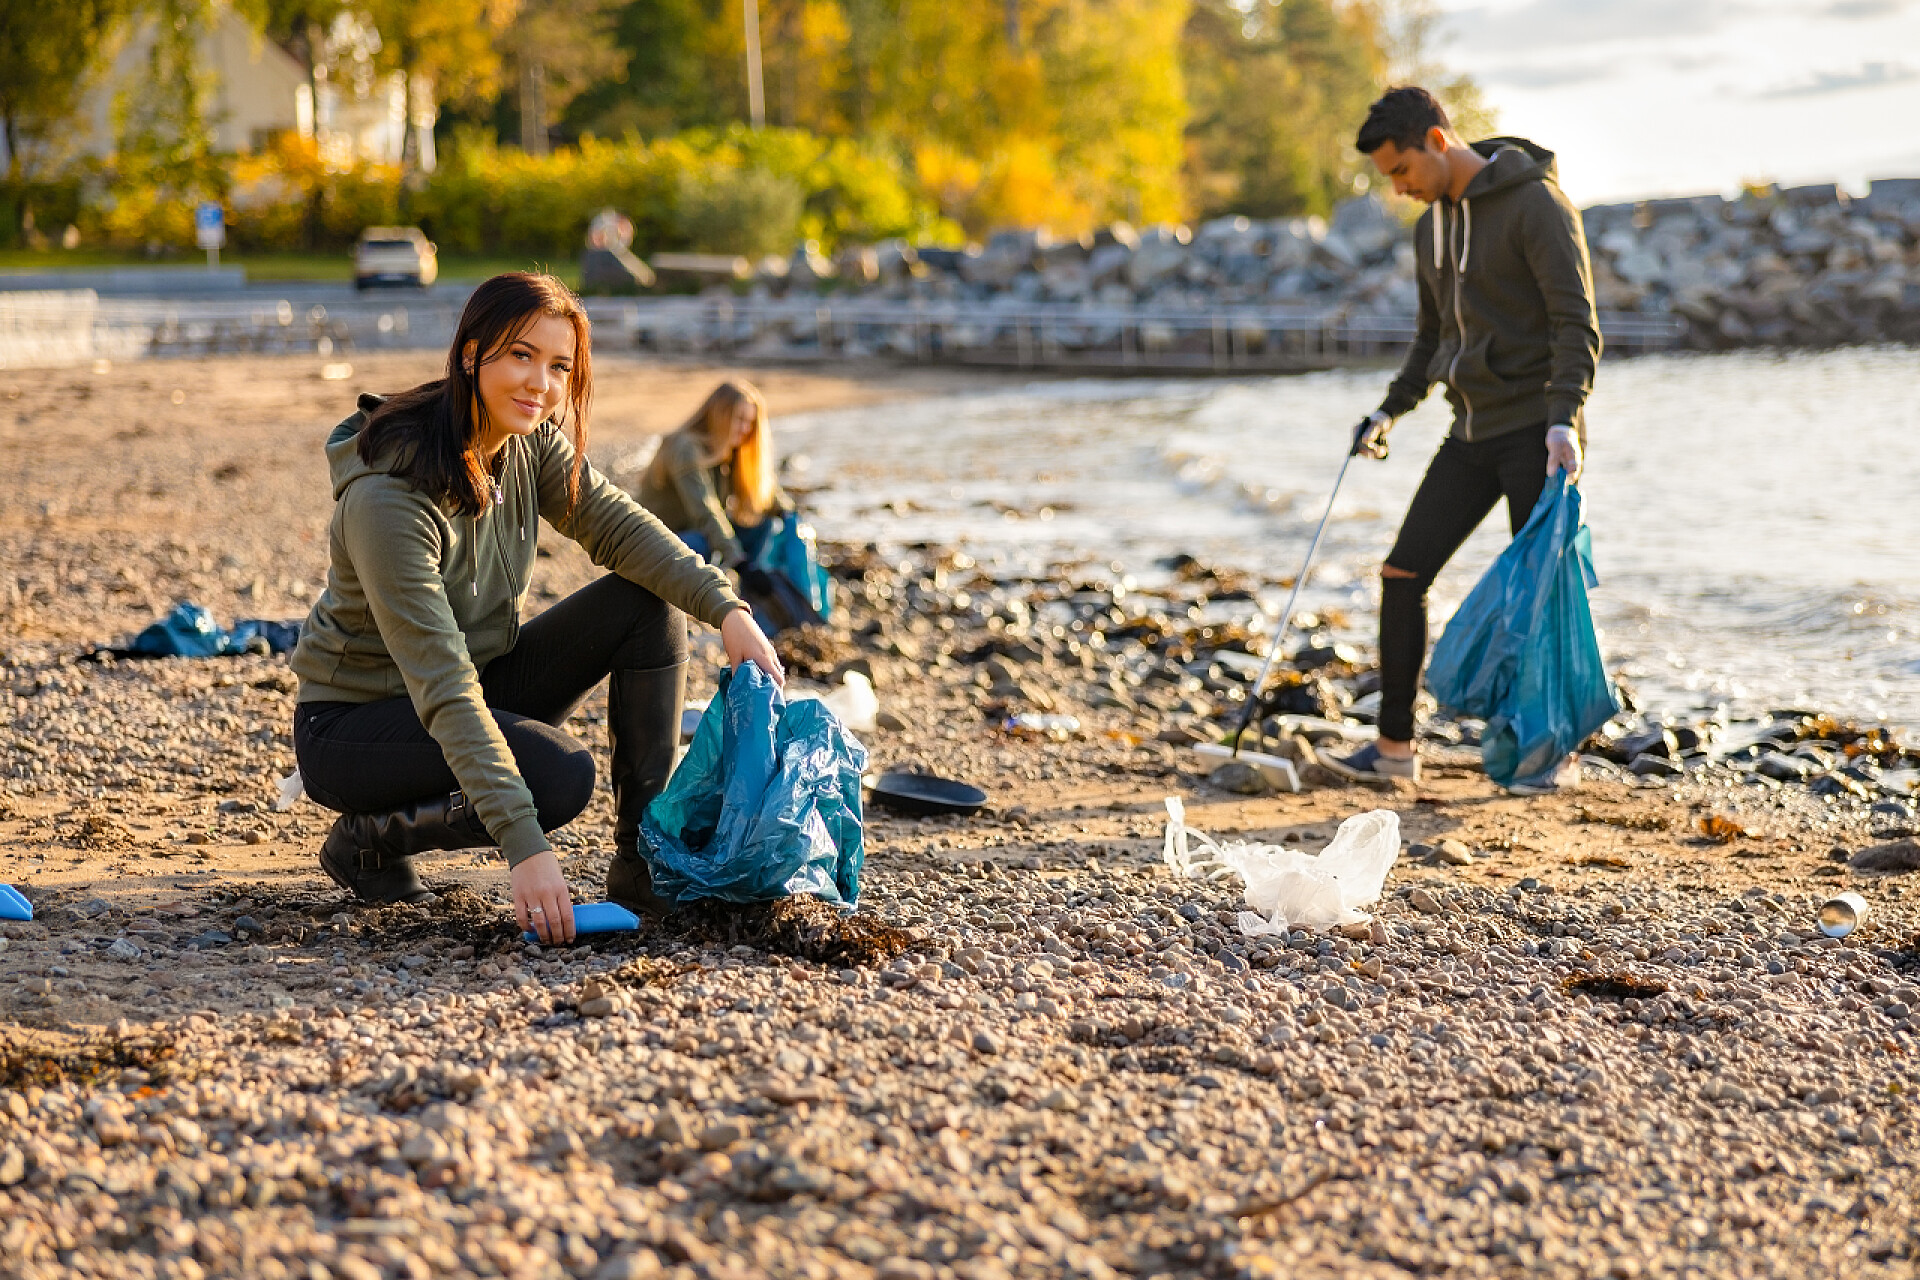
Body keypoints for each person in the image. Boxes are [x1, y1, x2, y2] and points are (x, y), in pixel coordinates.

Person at [289, 272, 785, 944]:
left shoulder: (526, 443)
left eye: (560, 366)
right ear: (472, 355)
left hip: (473, 680)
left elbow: (619, 528)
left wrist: (728, 611)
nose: (541, 385)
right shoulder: (389, 500)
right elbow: (442, 685)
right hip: (354, 726)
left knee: (648, 605)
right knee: (556, 778)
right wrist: (525, 847)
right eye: (521, 356)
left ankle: (645, 869)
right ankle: (367, 840)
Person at [1323, 86, 1600, 792]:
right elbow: (1432, 339)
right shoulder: (1431, 229)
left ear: (1437, 142)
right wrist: (1388, 412)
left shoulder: (1537, 206)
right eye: (1389, 179)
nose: (1399, 188)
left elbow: (1577, 325)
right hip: (1471, 431)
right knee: (1402, 574)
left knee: (1537, 598)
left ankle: (1547, 754)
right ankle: (1393, 750)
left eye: (1401, 171)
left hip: (1539, 432)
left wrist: (1565, 419)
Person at [635, 380, 792, 569]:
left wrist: (788, 513)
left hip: (687, 535)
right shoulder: (685, 448)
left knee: (764, 526)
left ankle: (753, 591)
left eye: (750, 422)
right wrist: (737, 560)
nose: (745, 429)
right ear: (719, 415)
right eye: (739, 419)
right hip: (651, 545)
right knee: (703, 542)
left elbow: (762, 491)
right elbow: (706, 511)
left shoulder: (726, 450)